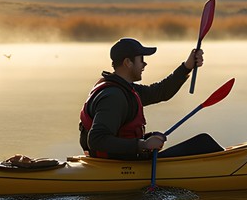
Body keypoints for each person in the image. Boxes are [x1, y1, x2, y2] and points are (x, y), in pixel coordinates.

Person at [79, 37, 222, 159]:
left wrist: (187, 67)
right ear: (128, 63)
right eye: (141, 59)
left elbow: (160, 92)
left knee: (203, 142)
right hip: (120, 167)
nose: (144, 64)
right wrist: (143, 144)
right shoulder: (113, 97)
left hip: (124, 161)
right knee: (204, 144)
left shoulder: (124, 89)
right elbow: (97, 140)